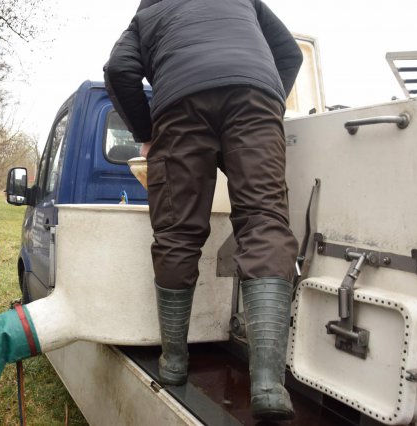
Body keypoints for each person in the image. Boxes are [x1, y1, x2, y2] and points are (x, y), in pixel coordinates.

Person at [104, 0, 302, 421]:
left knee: (177, 233)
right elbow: (290, 52)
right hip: (254, 98)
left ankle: (174, 362)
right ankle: (268, 384)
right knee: (264, 222)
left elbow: (119, 69)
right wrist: (268, 102)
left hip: (179, 108)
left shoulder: (149, 10)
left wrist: (147, 132)